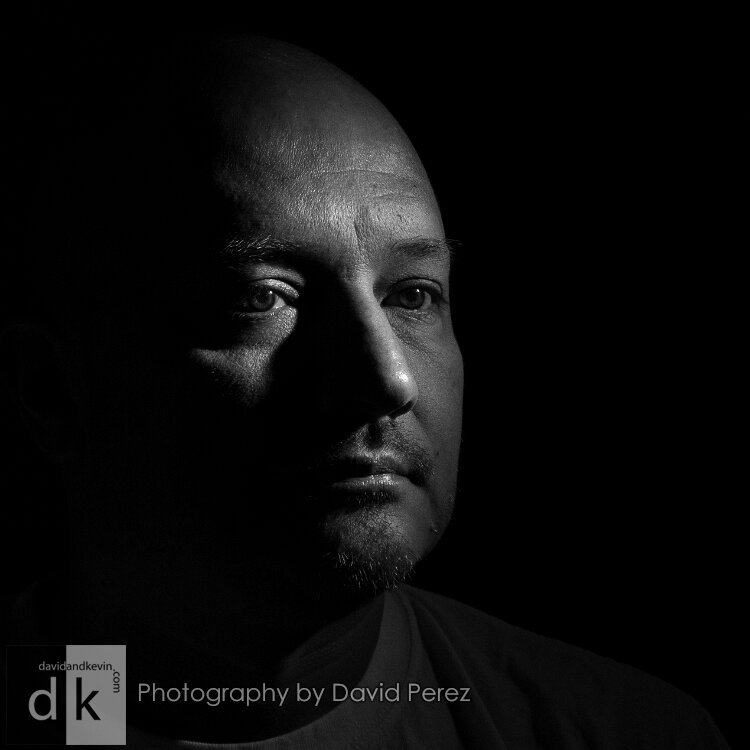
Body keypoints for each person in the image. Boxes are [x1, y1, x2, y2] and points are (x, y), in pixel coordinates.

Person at [2, 32, 730, 749]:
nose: (387, 380)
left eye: (412, 294)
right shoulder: (59, 709)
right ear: (50, 390)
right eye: (263, 298)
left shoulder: (625, 734)